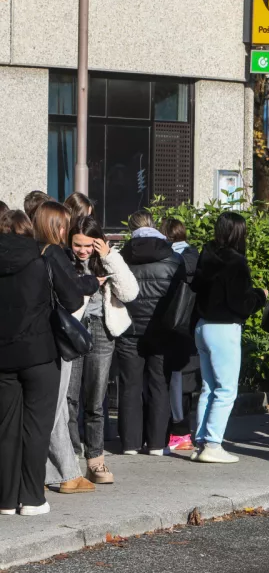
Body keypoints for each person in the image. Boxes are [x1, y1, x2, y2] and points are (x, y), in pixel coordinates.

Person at [0, 209, 85, 515]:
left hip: (3, 358)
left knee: (6, 428)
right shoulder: (42, 258)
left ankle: (6, 500)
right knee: (36, 427)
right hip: (40, 354)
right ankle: (32, 498)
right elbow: (74, 300)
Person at [34, 203, 100, 496]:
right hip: (56, 338)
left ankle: (60, 471)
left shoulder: (31, 251)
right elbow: (72, 296)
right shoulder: (54, 253)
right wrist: (91, 283)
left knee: (52, 406)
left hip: (30, 338)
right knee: (56, 404)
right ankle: (58, 472)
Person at [67, 217, 139, 485]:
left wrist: (109, 257)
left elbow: (130, 293)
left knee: (96, 399)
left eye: (88, 245)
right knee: (69, 399)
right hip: (71, 329)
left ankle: (95, 460)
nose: (83, 251)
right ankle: (71, 458)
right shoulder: (63, 260)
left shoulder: (107, 259)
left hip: (101, 329)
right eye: (77, 245)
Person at [191, 212, 267, 464]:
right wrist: (260, 295)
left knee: (208, 388)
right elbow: (241, 303)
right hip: (224, 328)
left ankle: (201, 442)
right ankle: (213, 444)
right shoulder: (235, 261)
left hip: (203, 326)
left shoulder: (207, 255)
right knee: (225, 390)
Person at [115, 211, 183, 458]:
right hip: (162, 329)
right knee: (159, 384)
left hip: (129, 328)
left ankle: (130, 443)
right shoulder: (173, 258)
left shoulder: (121, 257)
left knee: (129, 386)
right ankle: (156, 444)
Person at [162, 218, 200, 453]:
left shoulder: (168, 258)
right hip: (191, 323)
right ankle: (185, 432)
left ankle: (175, 431)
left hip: (170, 322)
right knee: (186, 378)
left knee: (171, 377)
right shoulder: (195, 256)